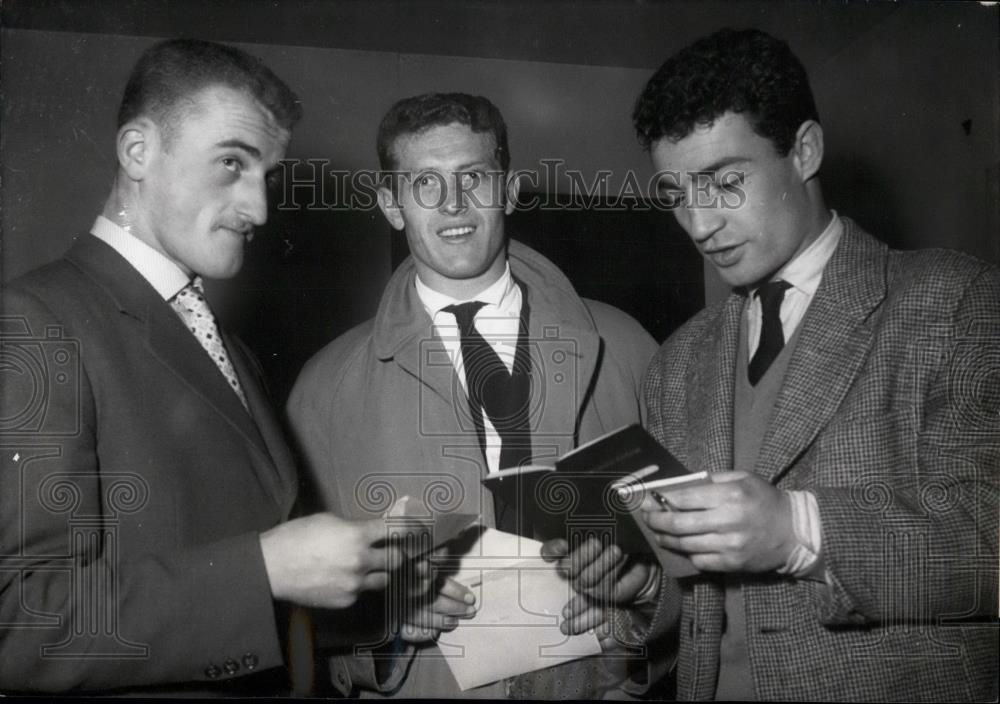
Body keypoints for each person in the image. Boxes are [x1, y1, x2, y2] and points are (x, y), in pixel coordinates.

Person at [555, 27, 1000, 701]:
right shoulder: (675, 364)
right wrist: (644, 587)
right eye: (677, 194)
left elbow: (989, 545)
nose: (700, 225)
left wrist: (799, 531)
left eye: (725, 182)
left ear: (804, 150)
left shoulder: (952, 299)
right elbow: (701, 613)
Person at [0, 39, 405, 695]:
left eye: (265, 175)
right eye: (230, 164)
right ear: (138, 151)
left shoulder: (231, 350)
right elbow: (17, 623)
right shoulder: (36, 322)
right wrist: (264, 571)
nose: (260, 209)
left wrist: (375, 600)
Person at [286, 92, 661, 698]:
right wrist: (384, 625)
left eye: (473, 178)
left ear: (509, 189)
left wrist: (639, 599)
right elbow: (305, 620)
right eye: (425, 183)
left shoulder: (628, 347)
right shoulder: (324, 390)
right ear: (391, 204)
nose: (453, 204)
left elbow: (695, 571)